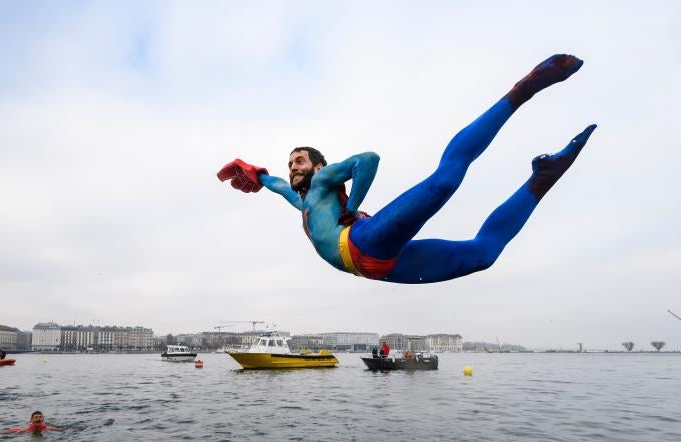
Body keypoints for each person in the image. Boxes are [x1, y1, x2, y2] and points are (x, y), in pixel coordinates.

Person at [217, 54, 596, 283]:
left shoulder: (323, 180)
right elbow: (278, 184)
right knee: (483, 256)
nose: (293, 167)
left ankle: (523, 90)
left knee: (443, 183)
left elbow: (368, 160)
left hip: (364, 240)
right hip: (379, 267)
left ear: (318, 165)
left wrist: (353, 206)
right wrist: (257, 173)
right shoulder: (302, 200)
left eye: (299, 160)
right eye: (291, 163)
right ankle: (542, 179)